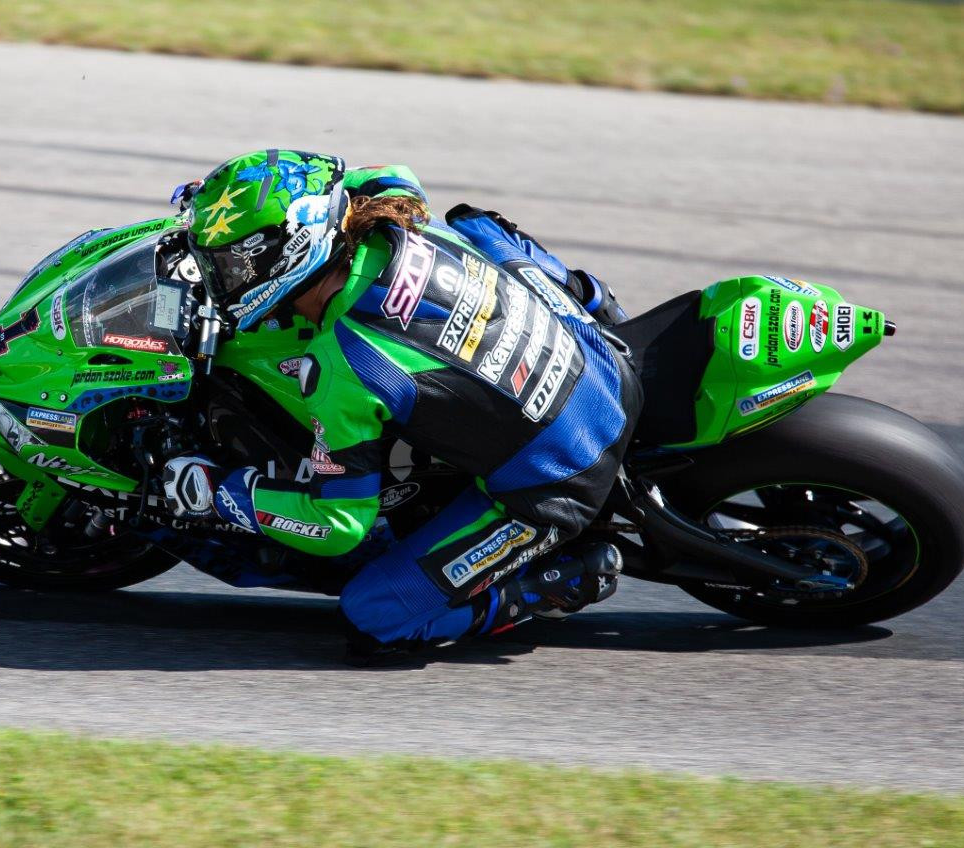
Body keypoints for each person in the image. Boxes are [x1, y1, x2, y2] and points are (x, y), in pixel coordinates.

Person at [164, 149, 640, 663]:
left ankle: (546, 588)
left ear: (289, 258)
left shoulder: (339, 364)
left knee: (373, 617)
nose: (220, 275)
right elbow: (384, 172)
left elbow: (336, 524)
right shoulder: (387, 201)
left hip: (563, 472)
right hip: (600, 358)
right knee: (472, 225)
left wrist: (217, 494)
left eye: (230, 263)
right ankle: (590, 295)